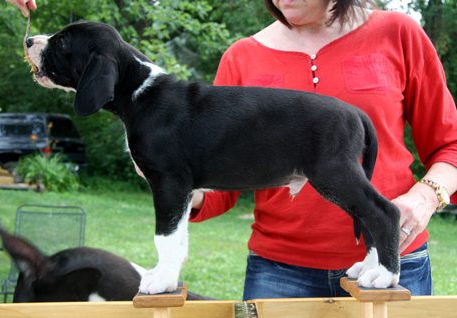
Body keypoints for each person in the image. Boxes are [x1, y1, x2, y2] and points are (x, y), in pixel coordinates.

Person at [190, 0, 457, 300]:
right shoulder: (241, 58)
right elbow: (223, 177)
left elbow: (451, 145)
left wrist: (427, 196)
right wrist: (173, 177)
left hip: (394, 260)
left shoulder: (398, 33)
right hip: (280, 273)